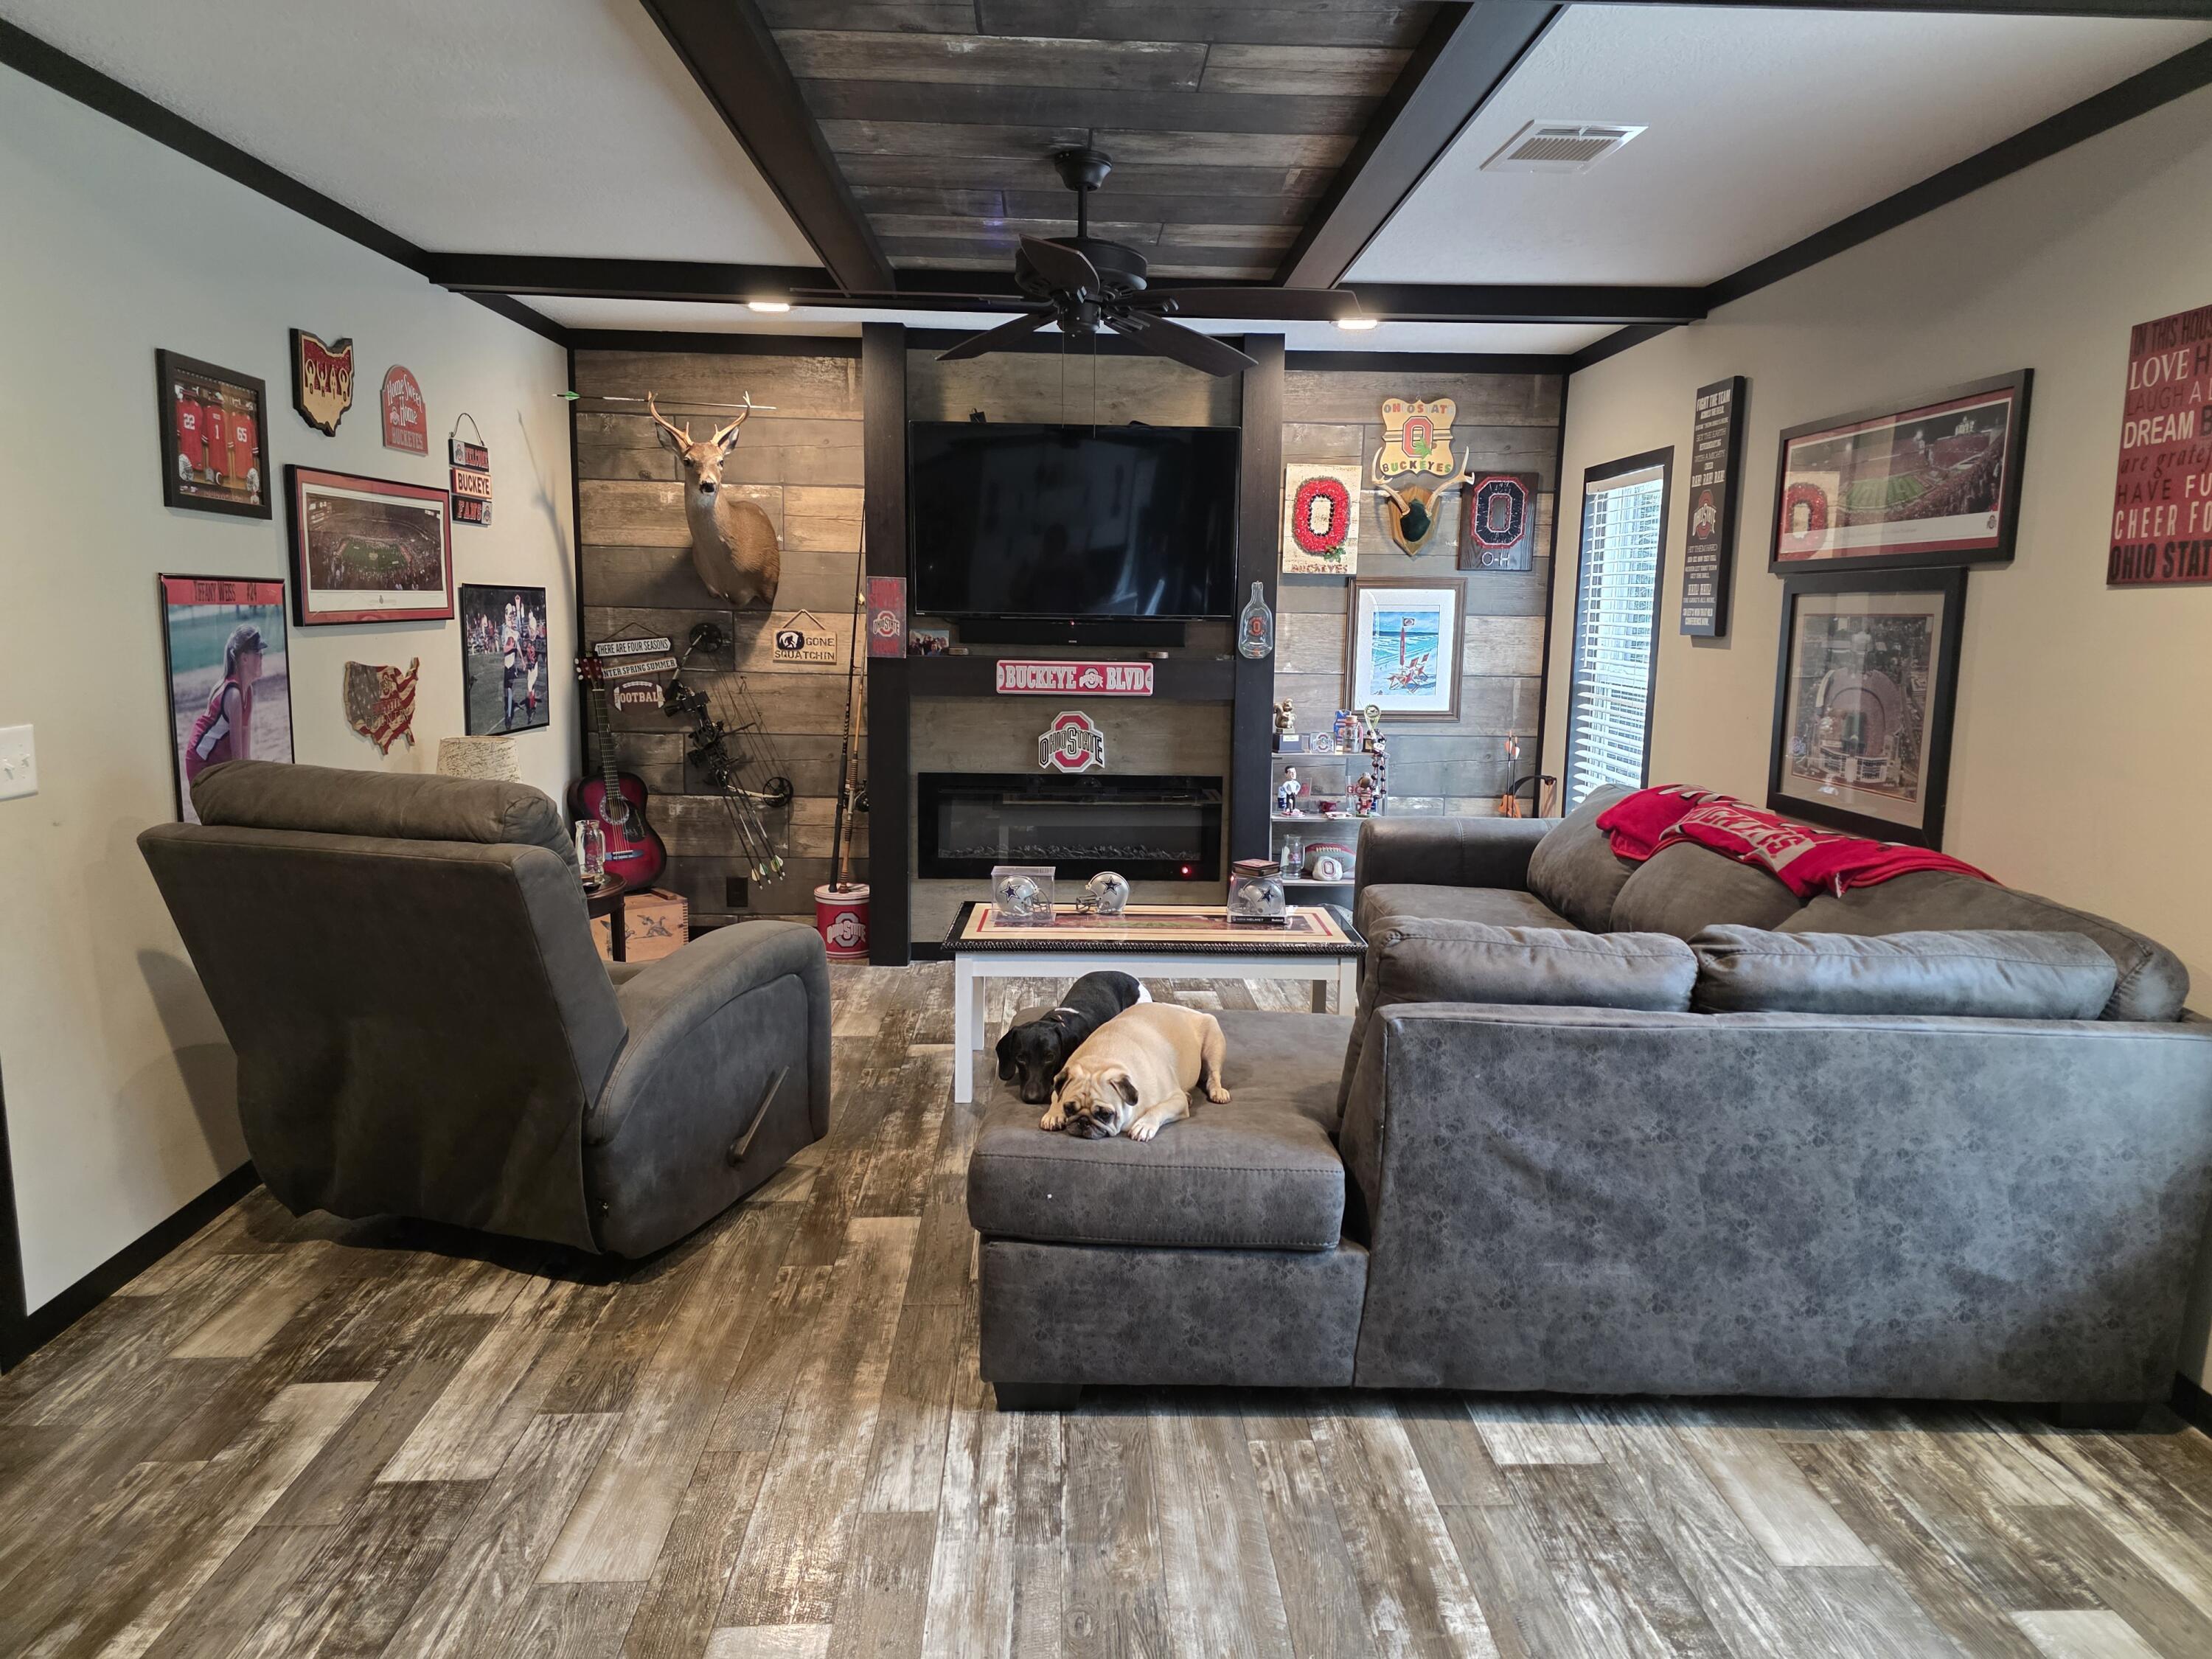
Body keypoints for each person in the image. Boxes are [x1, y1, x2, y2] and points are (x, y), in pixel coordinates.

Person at [183, 622, 263, 787]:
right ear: (244, 658)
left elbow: (244, 755)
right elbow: (237, 759)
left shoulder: (248, 692)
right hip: (201, 764)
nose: (262, 657)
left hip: (216, 761)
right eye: (258, 653)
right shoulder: (233, 694)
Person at [500, 599, 521, 729]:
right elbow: (504, 649)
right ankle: (508, 709)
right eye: (511, 619)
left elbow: (517, 647)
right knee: (506, 691)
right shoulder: (506, 631)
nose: (513, 621)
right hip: (506, 666)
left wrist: (522, 661)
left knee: (509, 690)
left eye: (514, 619)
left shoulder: (516, 633)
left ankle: (508, 717)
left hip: (511, 667)